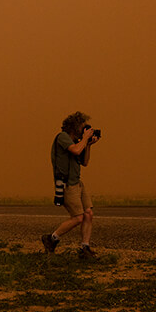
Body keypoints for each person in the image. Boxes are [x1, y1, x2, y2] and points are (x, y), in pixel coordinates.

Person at [42, 111, 100, 259]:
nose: (85, 130)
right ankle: (51, 238)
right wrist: (85, 139)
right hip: (67, 185)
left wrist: (88, 145)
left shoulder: (77, 143)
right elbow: (75, 150)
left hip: (78, 183)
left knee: (89, 214)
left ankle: (85, 248)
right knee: (78, 217)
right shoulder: (63, 137)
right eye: (83, 127)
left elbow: (85, 162)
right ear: (74, 127)